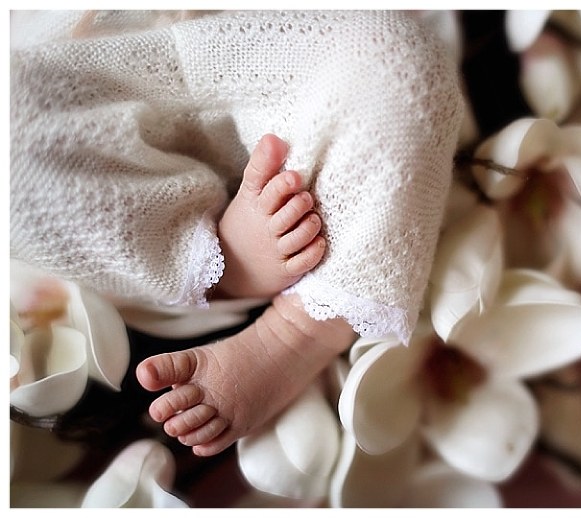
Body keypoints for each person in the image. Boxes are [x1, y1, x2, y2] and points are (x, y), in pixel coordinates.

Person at [10, 10, 464, 457]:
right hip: (182, 103)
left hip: (273, 54)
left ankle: (293, 317)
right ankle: (280, 312)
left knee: (390, 65)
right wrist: (221, 257)